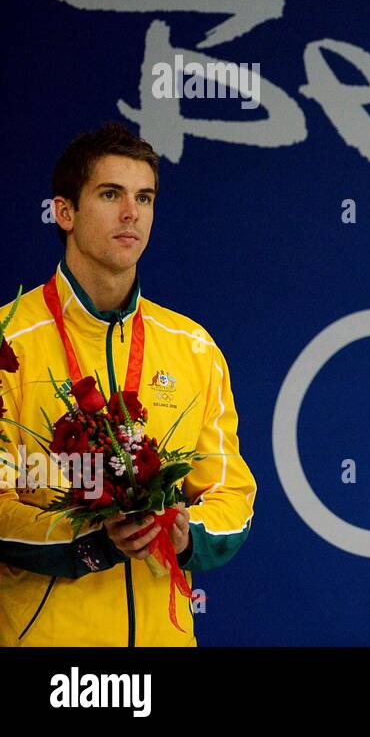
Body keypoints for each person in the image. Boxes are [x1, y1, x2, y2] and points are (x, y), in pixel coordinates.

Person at [0, 123, 256, 646]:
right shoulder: (11, 344)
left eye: (144, 197)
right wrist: (92, 540)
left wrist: (187, 534)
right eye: (110, 194)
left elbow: (231, 493)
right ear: (64, 212)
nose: (131, 214)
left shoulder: (193, 347)